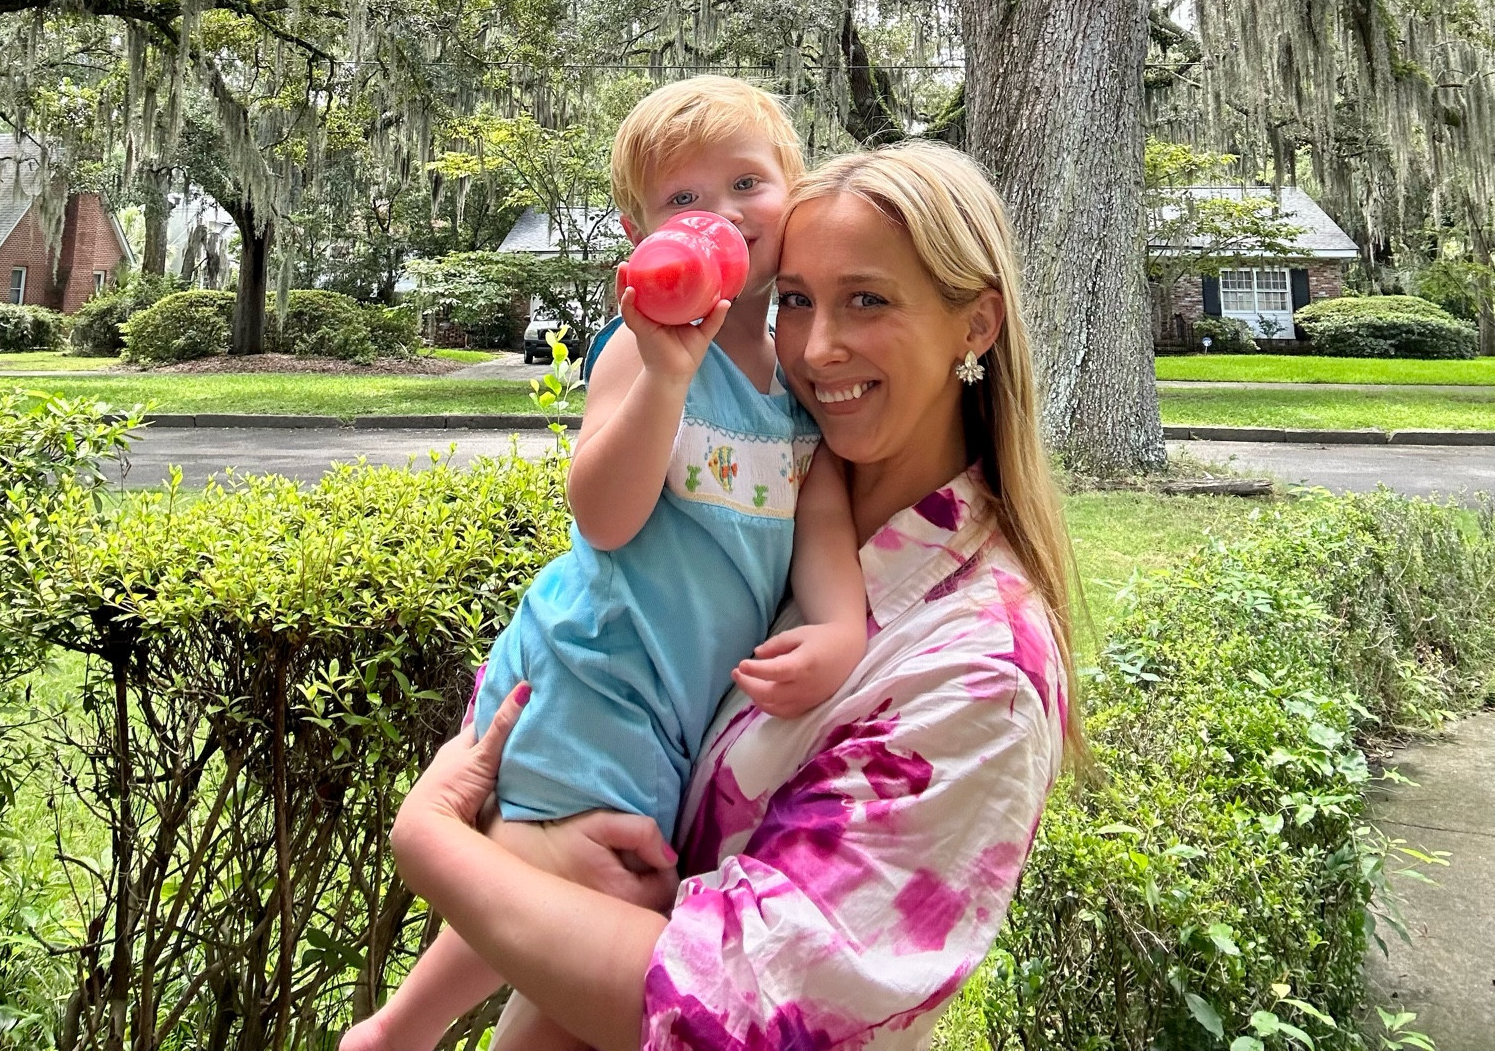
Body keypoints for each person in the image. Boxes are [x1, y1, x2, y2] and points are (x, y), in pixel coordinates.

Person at [386, 139, 1081, 1051]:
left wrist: (434, 845)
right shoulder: (772, 508)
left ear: (976, 325)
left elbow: (744, 1006)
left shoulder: (978, 671)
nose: (819, 347)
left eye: (866, 300)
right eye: (795, 300)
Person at [342, 78, 869, 1051]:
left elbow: (823, 517)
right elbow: (605, 514)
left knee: (609, 897)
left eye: (747, 180)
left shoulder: (799, 387)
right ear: (640, 231)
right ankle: (398, 1030)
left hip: (674, 706)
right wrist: (666, 378)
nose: (720, 211)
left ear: (792, 192)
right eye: (684, 198)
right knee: (596, 879)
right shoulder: (643, 347)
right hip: (595, 665)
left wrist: (840, 628)